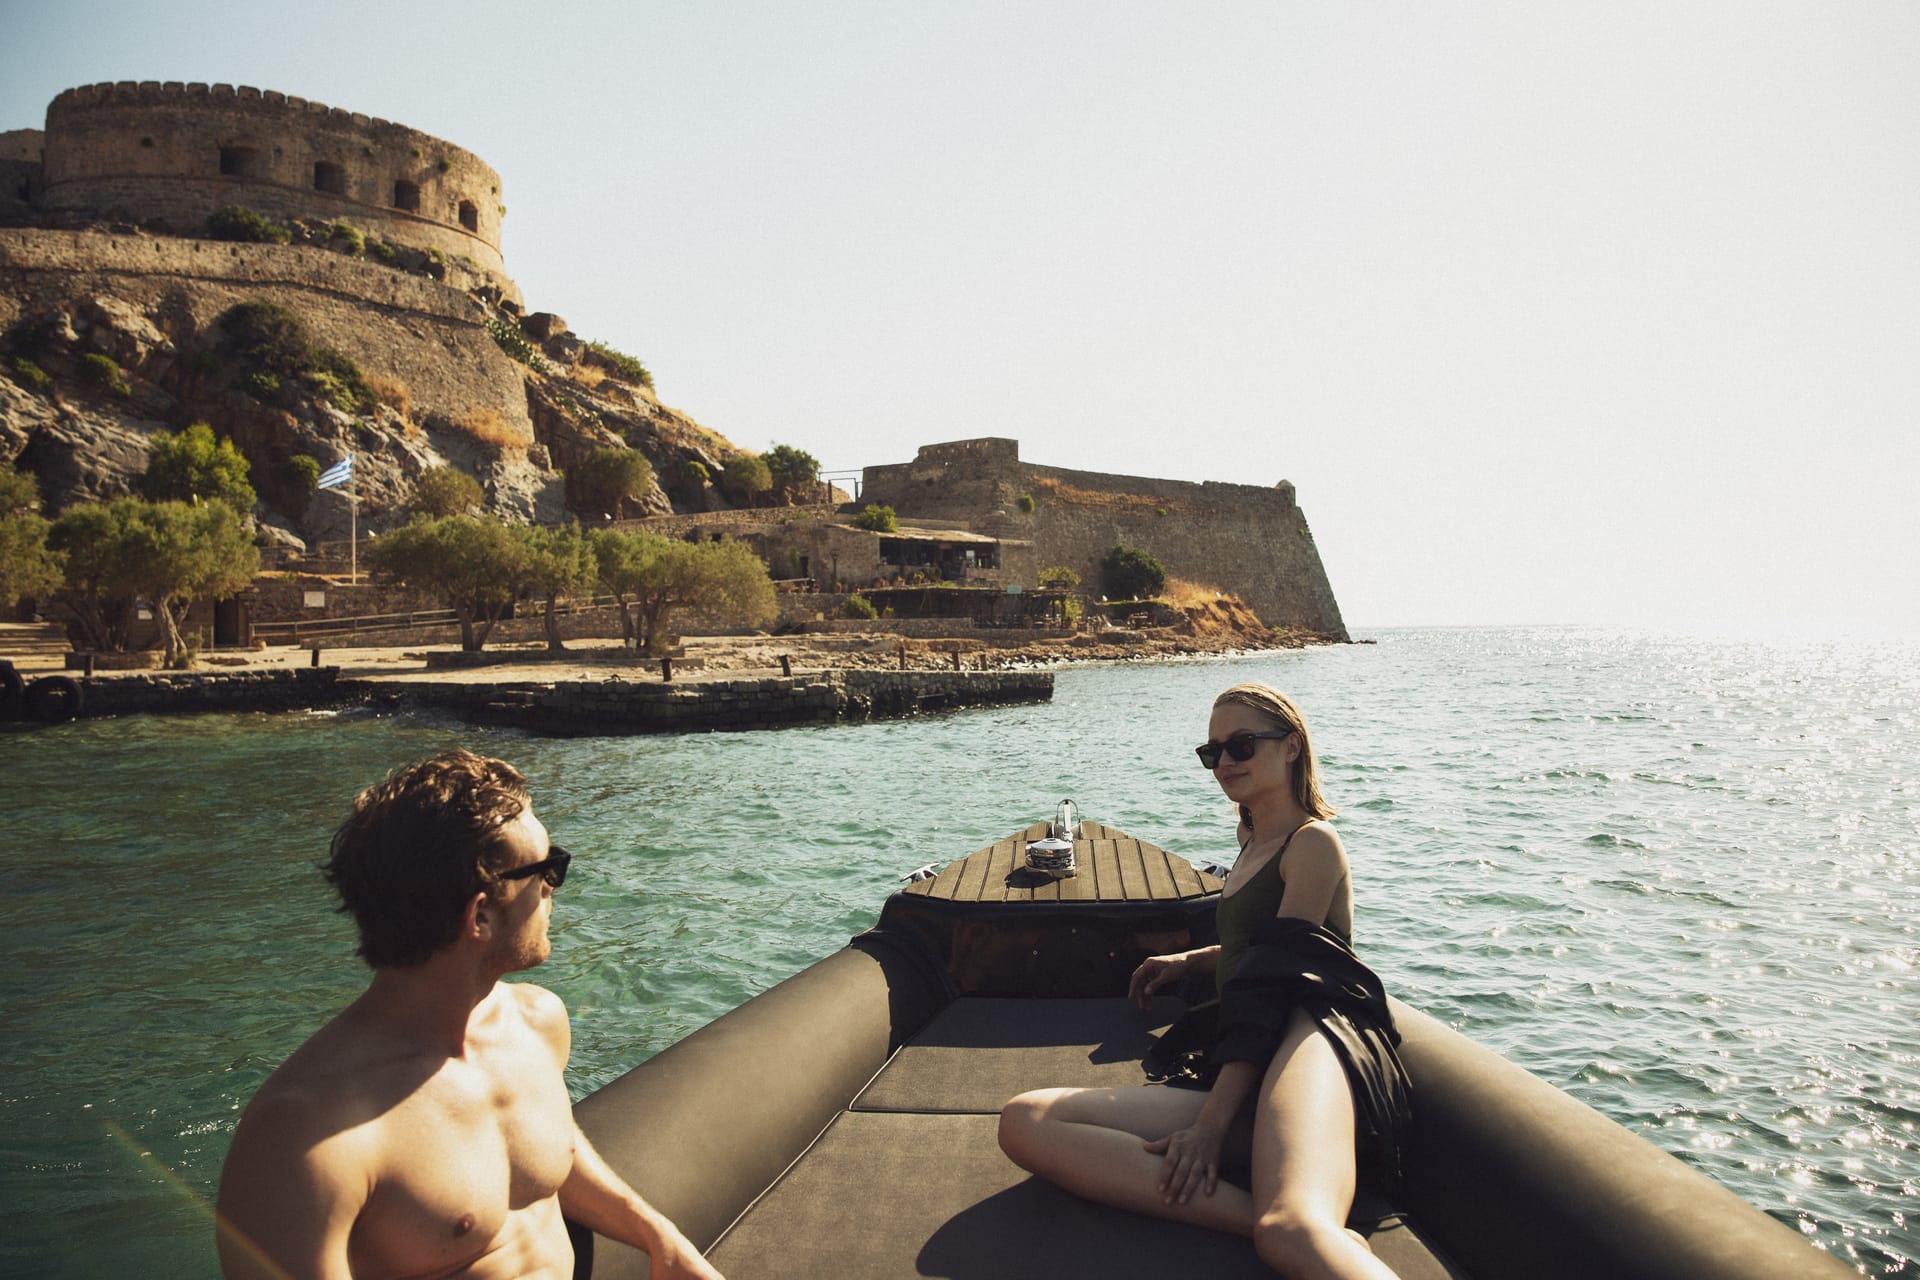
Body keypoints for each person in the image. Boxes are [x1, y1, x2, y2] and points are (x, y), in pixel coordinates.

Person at [216, 749, 722, 1280]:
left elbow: (547, 1156)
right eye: (544, 869)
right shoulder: (307, 1134)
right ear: (480, 914)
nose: (553, 884)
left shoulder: (537, 1023)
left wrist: (657, 1236)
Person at [998, 684, 1409, 1280]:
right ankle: (1254, 1219)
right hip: (1248, 1047)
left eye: (1241, 745)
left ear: (1291, 747)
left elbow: (1277, 979)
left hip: (1308, 1036)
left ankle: (1293, 1229)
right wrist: (1192, 962)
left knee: (1291, 1230)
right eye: (1212, 752)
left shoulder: (1311, 844)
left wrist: (1207, 1129)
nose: (1225, 763)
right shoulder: (1251, 841)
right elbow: (1257, 947)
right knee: (1026, 1121)